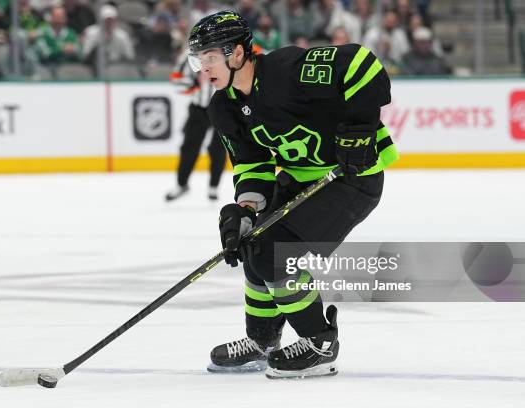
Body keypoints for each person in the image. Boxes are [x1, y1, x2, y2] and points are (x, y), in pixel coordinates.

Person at [187, 11, 398, 378]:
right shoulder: (225, 105)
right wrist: (246, 211)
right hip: (302, 177)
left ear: (236, 54)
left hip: (352, 177)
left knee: (275, 252)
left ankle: (320, 342)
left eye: (210, 58)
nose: (203, 68)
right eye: (198, 60)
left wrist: (361, 129)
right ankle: (263, 339)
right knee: (254, 241)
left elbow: (362, 64)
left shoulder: (287, 71)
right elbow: (252, 165)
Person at [165, 51, 225, 201]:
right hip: (199, 108)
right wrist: (196, 81)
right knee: (189, 147)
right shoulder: (189, 55)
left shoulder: (226, 50)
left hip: (224, 108)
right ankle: (182, 184)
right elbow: (176, 79)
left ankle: (213, 187)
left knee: (218, 148)